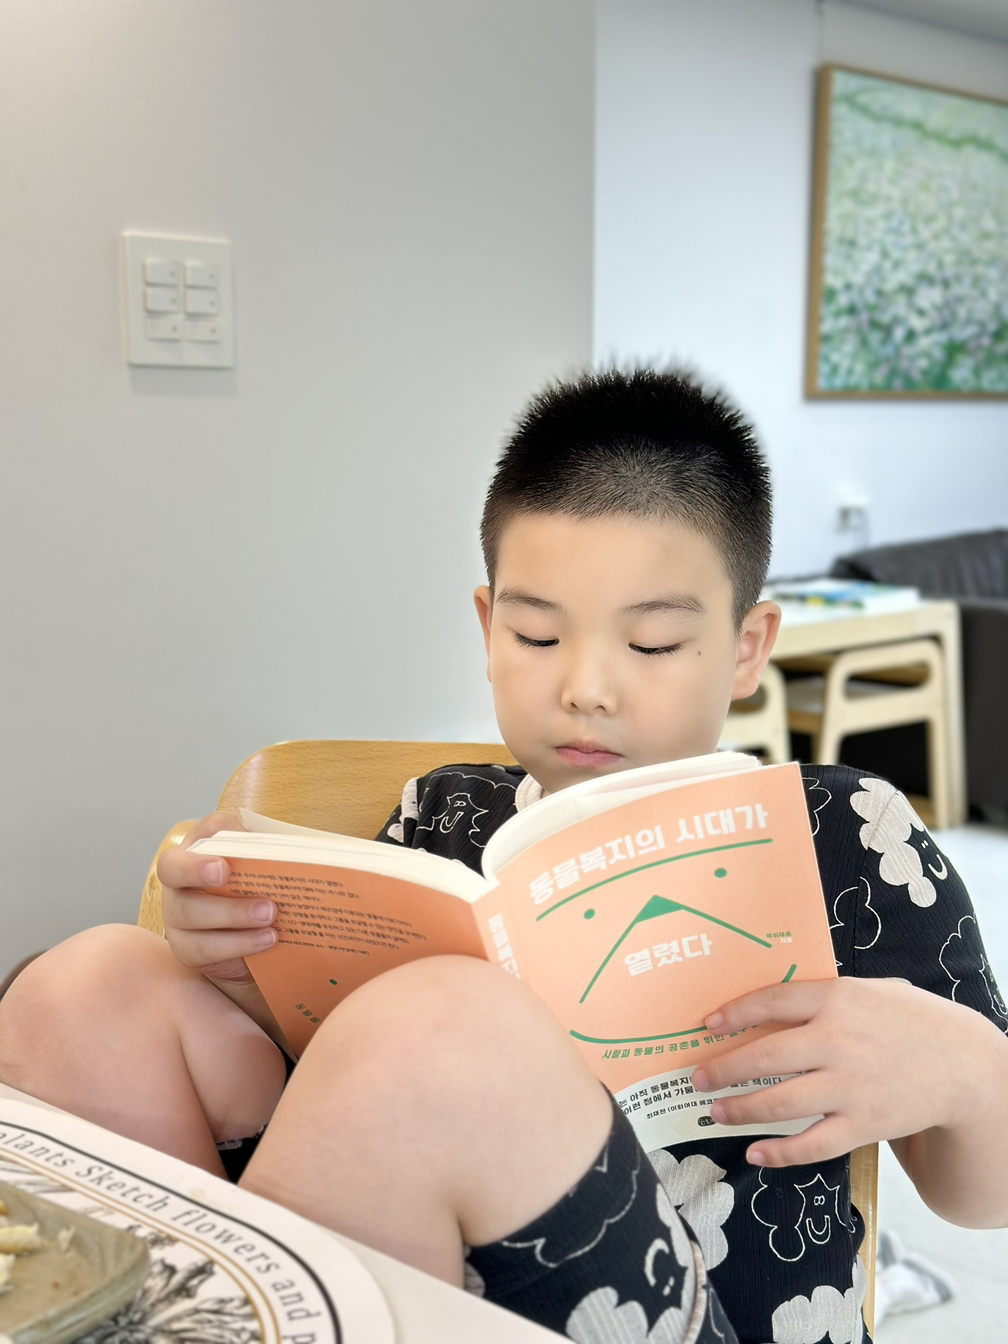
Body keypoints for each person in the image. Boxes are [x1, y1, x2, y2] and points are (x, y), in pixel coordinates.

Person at [1, 369, 1006, 1344]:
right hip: (421, 1262)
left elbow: (986, 1197)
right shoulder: (441, 814)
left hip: (701, 1308)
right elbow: (339, 1085)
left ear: (748, 648)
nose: (587, 689)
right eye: (535, 636)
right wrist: (239, 963)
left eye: (652, 646)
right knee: (87, 988)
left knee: (441, 1029)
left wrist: (961, 1070)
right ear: (488, 628)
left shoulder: (847, 833)